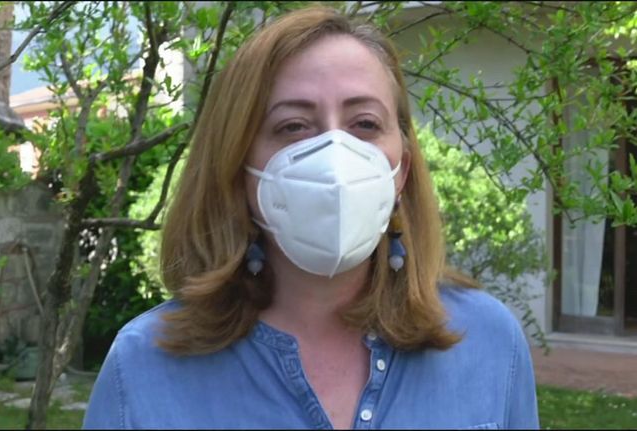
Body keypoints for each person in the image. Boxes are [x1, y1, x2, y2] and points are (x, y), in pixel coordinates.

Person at [83, 6, 539, 430]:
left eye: (365, 124)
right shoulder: (144, 368)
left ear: (401, 169)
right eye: (293, 127)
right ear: (237, 168)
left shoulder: (487, 340)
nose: (335, 159)